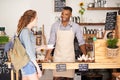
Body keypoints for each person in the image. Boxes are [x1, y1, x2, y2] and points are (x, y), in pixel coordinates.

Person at [45, 6, 86, 80]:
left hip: (69, 58)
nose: (63, 16)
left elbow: (81, 42)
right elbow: (51, 42)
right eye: (62, 13)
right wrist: (47, 56)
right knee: (56, 78)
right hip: (58, 58)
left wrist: (85, 56)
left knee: (69, 78)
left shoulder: (75, 26)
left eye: (66, 14)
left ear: (71, 15)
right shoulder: (55, 26)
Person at [17, 10, 42, 80]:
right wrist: (38, 68)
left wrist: (41, 47)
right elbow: (29, 51)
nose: (37, 19)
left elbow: (29, 48)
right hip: (28, 63)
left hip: (26, 63)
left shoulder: (28, 31)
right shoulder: (25, 31)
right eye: (36, 17)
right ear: (31, 19)